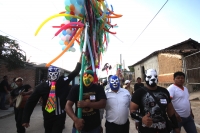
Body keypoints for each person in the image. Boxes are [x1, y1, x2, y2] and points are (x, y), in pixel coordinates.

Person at [22, 55, 82, 133]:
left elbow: (75, 72)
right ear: (48, 75)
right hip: (48, 115)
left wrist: (81, 57)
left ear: (59, 74)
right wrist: (26, 119)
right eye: (51, 74)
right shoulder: (41, 87)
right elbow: (31, 102)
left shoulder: (63, 81)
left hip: (60, 115)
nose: (53, 76)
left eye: (55, 74)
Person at [130, 69, 180, 133]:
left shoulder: (164, 92)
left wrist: (176, 126)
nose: (153, 79)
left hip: (163, 129)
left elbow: (170, 110)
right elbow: (132, 111)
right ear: (145, 78)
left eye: (155, 76)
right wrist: (141, 118)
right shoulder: (139, 93)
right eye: (149, 77)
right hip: (146, 130)